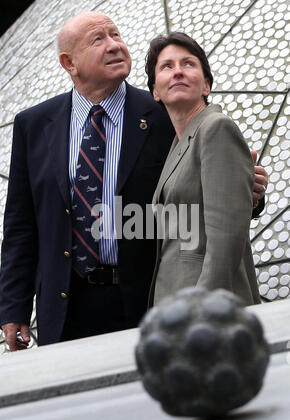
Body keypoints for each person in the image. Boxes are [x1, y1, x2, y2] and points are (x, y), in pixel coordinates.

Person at [0, 13, 266, 351]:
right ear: (69, 62)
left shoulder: (164, 111)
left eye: (116, 35)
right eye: (98, 40)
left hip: (146, 299)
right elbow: (21, 224)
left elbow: (206, 189)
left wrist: (250, 194)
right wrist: (13, 306)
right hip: (65, 305)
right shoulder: (34, 125)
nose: (114, 45)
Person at [146, 32, 261, 306]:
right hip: (174, 302)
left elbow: (226, 239)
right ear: (155, 92)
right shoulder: (177, 144)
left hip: (206, 309)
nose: (177, 72)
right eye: (167, 66)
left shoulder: (216, 128)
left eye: (188, 64)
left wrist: (202, 306)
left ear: (206, 85)